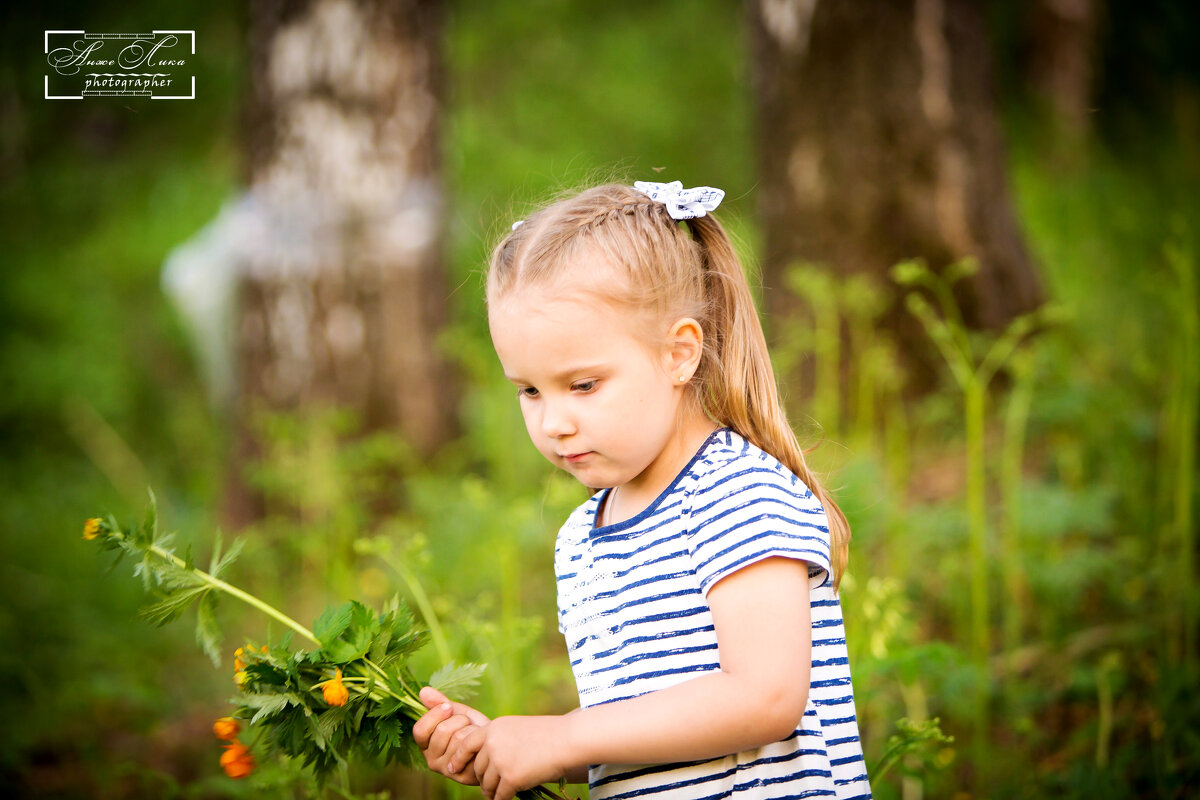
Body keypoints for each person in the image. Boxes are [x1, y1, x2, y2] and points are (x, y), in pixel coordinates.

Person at [413, 181, 871, 800]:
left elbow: (766, 698)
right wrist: (516, 747)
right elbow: (636, 742)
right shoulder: (581, 538)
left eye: (583, 385)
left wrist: (565, 737)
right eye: (529, 390)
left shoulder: (737, 494)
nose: (554, 422)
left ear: (678, 354)